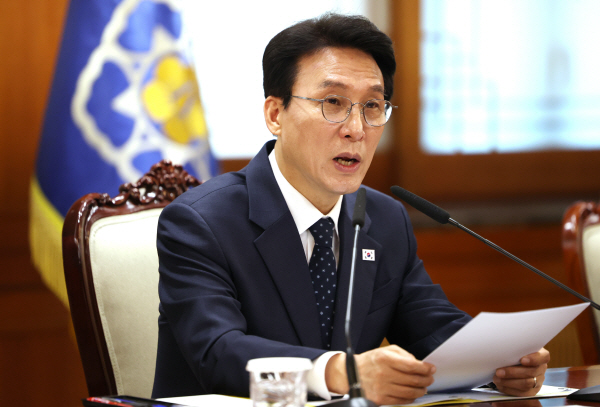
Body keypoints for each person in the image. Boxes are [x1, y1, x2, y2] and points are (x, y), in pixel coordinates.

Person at [152, 13, 550, 405]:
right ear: (275, 115)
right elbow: (218, 353)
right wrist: (344, 373)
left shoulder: (384, 219)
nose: (356, 129)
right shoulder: (202, 222)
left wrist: (500, 362)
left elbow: (431, 328)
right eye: (333, 102)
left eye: (372, 106)